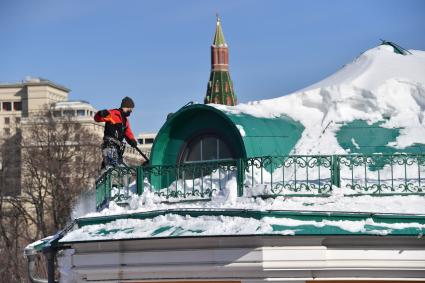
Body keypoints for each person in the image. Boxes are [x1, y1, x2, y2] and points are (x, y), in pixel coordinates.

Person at [94, 96, 138, 170]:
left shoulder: (126, 121)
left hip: (118, 148)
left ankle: (104, 174)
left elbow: (128, 132)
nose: (131, 111)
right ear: (128, 107)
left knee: (122, 168)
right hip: (110, 145)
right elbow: (97, 119)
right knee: (112, 167)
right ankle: (106, 177)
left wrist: (132, 140)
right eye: (131, 109)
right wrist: (100, 113)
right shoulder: (113, 113)